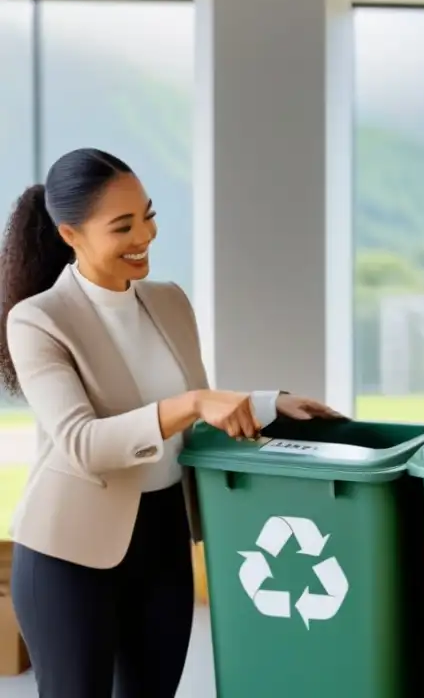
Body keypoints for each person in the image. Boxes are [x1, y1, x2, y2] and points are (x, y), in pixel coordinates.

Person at [0, 148, 341, 698]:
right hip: (69, 553)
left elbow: (190, 415)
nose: (146, 236)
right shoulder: (38, 319)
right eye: (123, 226)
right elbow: (84, 443)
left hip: (162, 534)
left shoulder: (169, 301)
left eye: (149, 215)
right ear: (70, 234)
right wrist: (194, 402)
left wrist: (267, 404)